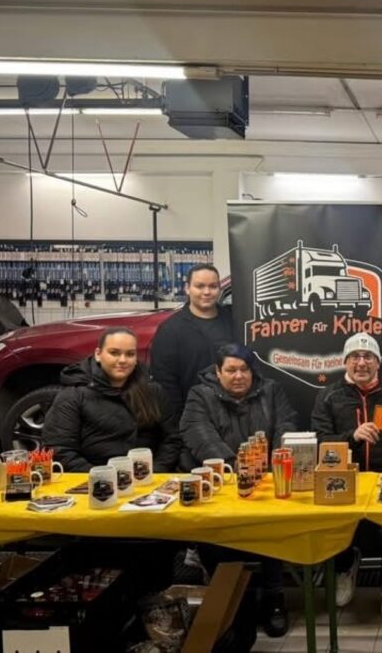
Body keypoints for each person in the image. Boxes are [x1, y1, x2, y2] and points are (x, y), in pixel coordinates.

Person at [178, 343, 299, 637]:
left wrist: (273, 465)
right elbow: (201, 436)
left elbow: (286, 426)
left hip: (266, 482)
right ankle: (231, 601)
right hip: (222, 482)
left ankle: (273, 599)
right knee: (216, 538)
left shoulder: (271, 390)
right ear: (217, 372)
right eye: (231, 370)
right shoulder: (200, 395)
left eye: (244, 369)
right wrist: (241, 468)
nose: (239, 376)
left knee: (271, 529)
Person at [312, 332, 382, 622]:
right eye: (355, 356)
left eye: (368, 356)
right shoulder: (328, 395)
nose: (361, 362)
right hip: (345, 479)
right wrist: (352, 437)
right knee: (339, 526)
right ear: (345, 362)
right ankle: (345, 569)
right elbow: (319, 441)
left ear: (378, 362)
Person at [44, 327, 180, 472]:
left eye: (130, 354)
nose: (122, 360)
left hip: (147, 479)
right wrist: (102, 477)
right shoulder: (74, 395)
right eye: (114, 353)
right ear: (98, 354)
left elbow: (172, 438)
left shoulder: (152, 391)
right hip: (92, 479)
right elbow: (60, 448)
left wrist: (155, 471)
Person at [150, 263, 234, 416]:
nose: (207, 292)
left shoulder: (234, 321)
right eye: (200, 286)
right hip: (192, 416)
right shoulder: (170, 330)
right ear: (187, 288)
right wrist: (179, 423)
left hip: (233, 414)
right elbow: (165, 383)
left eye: (213, 286)